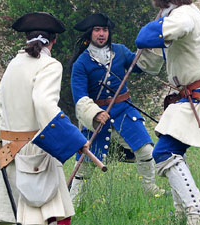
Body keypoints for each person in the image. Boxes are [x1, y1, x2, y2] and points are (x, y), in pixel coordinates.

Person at [135, 0, 200, 224]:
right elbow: (151, 63)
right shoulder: (180, 14)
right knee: (173, 150)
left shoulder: (183, 14)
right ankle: (182, 214)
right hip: (195, 94)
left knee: (164, 152)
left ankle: (198, 212)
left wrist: (157, 24)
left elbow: (146, 37)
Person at [0, 12, 89, 225]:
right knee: (47, 218)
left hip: (7, 150)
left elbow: (1, 100)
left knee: (6, 219)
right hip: (35, 152)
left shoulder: (13, 64)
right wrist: (74, 139)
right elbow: (43, 103)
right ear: (53, 40)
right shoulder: (50, 65)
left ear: (26, 38)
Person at [69, 13, 165, 204]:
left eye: (104, 30)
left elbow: (140, 65)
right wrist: (95, 114)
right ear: (90, 33)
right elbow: (79, 97)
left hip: (124, 111)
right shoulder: (81, 63)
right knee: (85, 164)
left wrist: (149, 47)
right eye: (97, 30)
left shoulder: (120, 52)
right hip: (97, 117)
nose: (102, 34)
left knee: (146, 150)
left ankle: (150, 189)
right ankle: (74, 202)